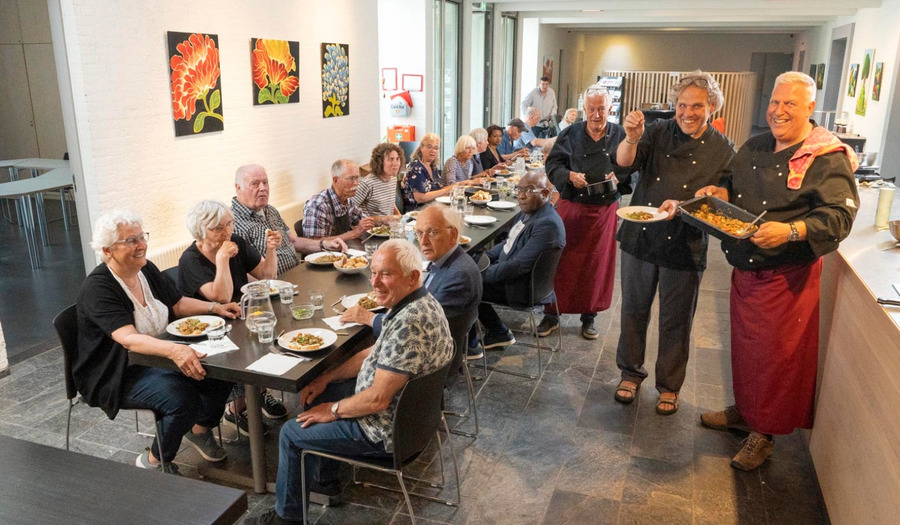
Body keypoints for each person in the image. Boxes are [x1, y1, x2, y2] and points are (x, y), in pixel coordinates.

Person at [696, 72, 859, 471]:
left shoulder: (826, 157)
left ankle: (763, 434)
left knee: (776, 359)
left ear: (810, 109)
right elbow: (732, 183)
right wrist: (719, 193)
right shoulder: (754, 146)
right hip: (746, 269)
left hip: (788, 276)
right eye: (775, 101)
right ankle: (747, 411)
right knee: (747, 350)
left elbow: (839, 216)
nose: (779, 110)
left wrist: (791, 230)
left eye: (790, 103)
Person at [254, 240, 455, 524]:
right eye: (373, 273)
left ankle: (287, 519)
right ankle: (324, 481)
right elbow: (374, 353)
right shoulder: (421, 303)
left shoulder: (408, 323)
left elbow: (377, 400)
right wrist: (327, 377)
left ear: (412, 276)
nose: (375, 282)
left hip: (385, 430)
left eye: (386, 274)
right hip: (415, 418)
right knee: (323, 394)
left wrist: (333, 410)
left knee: (291, 433)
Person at [75, 210, 240, 474]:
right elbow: (128, 339)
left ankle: (199, 430)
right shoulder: (99, 288)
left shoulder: (145, 268)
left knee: (223, 369)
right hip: (116, 371)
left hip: (155, 356)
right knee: (181, 398)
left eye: (141, 237)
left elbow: (178, 303)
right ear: (107, 251)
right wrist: (175, 350)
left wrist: (213, 309)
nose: (141, 245)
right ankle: (153, 461)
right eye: (131, 241)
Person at [612, 71, 736, 415]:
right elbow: (624, 162)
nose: (687, 112)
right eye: (682, 105)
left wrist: (694, 202)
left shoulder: (723, 149)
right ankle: (630, 372)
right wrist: (631, 138)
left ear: (711, 106)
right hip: (641, 235)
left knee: (676, 319)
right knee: (634, 309)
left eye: (696, 105)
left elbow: (723, 198)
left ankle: (669, 385)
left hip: (686, 242)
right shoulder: (657, 131)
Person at [178, 199, 288, 424]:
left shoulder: (235, 240)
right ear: (201, 231)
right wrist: (222, 259)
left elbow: (267, 276)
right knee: (253, 344)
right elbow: (222, 296)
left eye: (230, 224)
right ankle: (237, 407)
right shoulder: (191, 259)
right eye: (218, 228)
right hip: (208, 332)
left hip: (237, 317)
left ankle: (257, 394)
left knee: (271, 332)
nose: (227, 231)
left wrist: (270, 249)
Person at [538, 84, 630, 341]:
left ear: (610, 108)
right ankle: (551, 313)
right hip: (572, 207)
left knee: (596, 265)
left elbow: (631, 167)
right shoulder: (569, 133)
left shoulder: (621, 135)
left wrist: (618, 177)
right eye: (592, 109)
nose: (597, 115)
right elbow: (553, 164)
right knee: (560, 262)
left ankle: (589, 317)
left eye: (601, 109)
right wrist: (568, 175)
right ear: (584, 110)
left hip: (604, 211)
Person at [341, 206, 483, 358]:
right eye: (420, 233)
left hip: (421, 360)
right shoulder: (446, 262)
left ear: (453, 234)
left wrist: (368, 317)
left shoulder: (458, 275)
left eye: (432, 232)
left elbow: (414, 327)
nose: (423, 241)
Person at [478, 171, 566, 350]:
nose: (522, 195)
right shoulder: (529, 212)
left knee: (466, 286)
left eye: (529, 190)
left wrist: (480, 275)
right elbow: (507, 242)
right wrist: (486, 257)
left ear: (545, 194)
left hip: (522, 287)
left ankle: (494, 333)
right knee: (470, 264)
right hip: (512, 274)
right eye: (519, 189)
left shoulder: (547, 224)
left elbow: (518, 267)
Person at [232, 164, 346, 275]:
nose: (262, 188)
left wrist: (324, 244)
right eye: (255, 184)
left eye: (265, 183)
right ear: (238, 188)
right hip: (275, 286)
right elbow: (242, 274)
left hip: (299, 273)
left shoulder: (270, 210)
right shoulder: (232, 224)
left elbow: (293, 241)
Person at [302, 159, 383, 242]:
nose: (356, 183)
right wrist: (353, 233)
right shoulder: (318, 205)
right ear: (336, 180)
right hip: (323, 254)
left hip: (342, 250)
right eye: (351, 178)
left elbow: (363, 220)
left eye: (357, 178)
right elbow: (314, 243)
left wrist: (385, 220)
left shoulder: (347, 200)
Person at [401, 134, 472, 210]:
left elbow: (440, 190)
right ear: (421, 147)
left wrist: (459, 185)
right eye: (429, 147)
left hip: (434, 207)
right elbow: (420, 198)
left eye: (436, 148)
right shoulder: (416, 167)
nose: (433, 150)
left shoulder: (432, 167)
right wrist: (447, 190)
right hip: (418, 211)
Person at [352, 142, 404, 217]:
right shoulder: (367, 183)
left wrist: (400, 216)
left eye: (397, 159)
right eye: (390, 159)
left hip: (389, 225)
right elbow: (350, 209)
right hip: (372, 227)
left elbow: (390, 203)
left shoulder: (393, 178)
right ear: (380, 162)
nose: (395, 163)